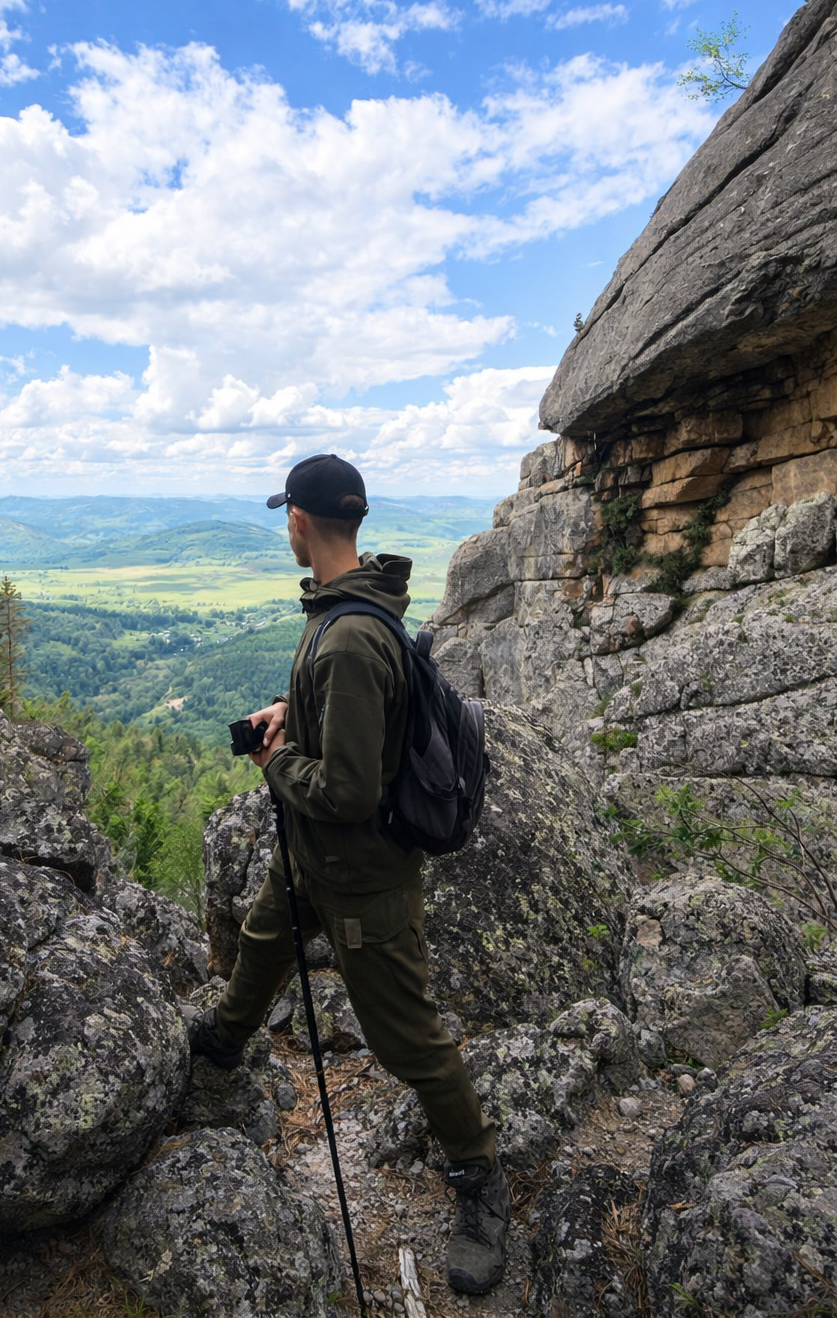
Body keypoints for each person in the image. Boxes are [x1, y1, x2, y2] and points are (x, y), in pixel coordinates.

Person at [189, 453, 510, 1295]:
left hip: (363, 875)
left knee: (410, 1039)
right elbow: (358, 722)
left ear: (298, 521)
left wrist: (275, 762)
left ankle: (480, 1177)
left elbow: (348, 791)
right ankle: (221, 1044)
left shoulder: (350, 637)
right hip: (313, 858)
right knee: (265, 939)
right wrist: (291, 712)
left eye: (285, 519)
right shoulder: (348, 608)